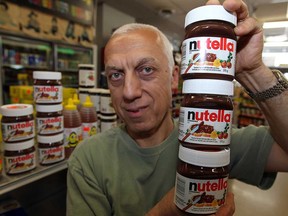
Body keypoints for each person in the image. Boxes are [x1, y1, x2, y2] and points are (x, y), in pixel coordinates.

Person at [66, 0, 288, 215]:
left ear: (174, 78)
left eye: (146, 70)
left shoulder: (214, 139)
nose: (129, 91)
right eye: (116, 75)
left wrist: (253, 72)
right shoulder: (88, 160)